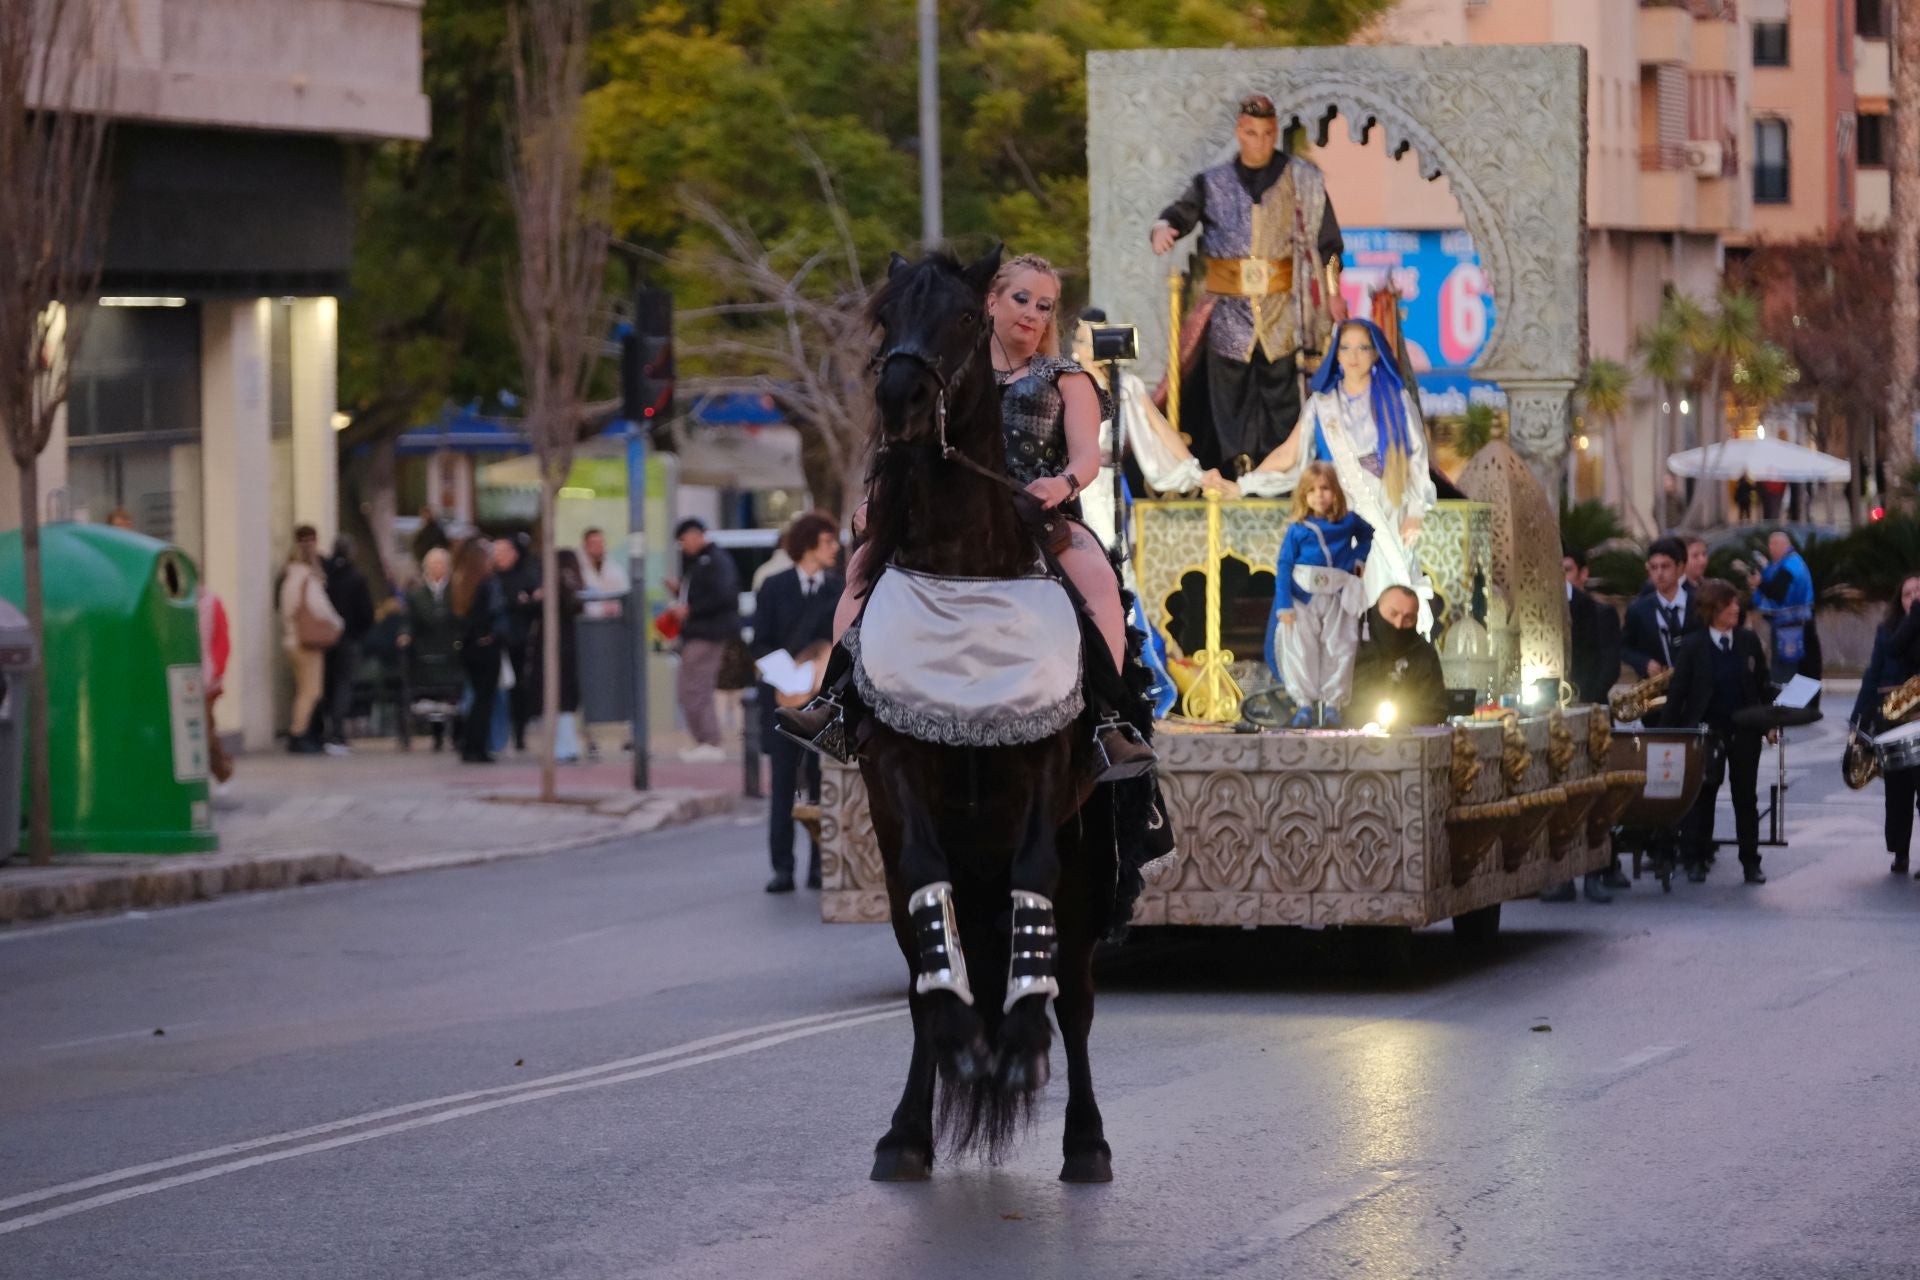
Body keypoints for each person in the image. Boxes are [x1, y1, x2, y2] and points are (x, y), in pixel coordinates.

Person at [1149, 92, 1345, 475]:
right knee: (1230, 396)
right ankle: (1234, 472)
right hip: (1229, 310)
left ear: (1275, 133)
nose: (1261, 141)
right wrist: (1164, 226)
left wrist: (1334, 293)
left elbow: (1329, 243)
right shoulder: (1213, 182)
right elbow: (1181, 213)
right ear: (1241, 132)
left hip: (1281, 308)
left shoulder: (1302, 179)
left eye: (1268, 133)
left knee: (1281, 394)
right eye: (1253, 133)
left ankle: (1281, 476)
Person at [1236, 318, 1438, 632]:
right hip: (1336, 509)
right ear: (1336, 354)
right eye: (1345, 347)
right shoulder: (1321, 404)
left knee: (1386, 582)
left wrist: (1416, 512)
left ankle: (1390, 659)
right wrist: (1244, 484)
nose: (1353, 354)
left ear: (1375, 354)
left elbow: (1417, 459)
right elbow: (1289, 454)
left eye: (1362, 347)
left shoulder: (1396, 400)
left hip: (1386, 503)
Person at [1069, 310, 1224, 553]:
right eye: (1085, 341)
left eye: (1098, 340)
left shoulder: (1125, 385)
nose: (1092, 348)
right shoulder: (1066, 382)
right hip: (1075, 482)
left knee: (1113, 547)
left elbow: (1160, 428)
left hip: (1109, 481)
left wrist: (1196, 472)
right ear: (1075, 347)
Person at [752, 511, 844, 893]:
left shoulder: (838, 589)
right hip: (781, 698)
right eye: (827, 541)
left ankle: (821, 866)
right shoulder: (774, 587)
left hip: (824, 703)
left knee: (824, 786)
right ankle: (783, 867)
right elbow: (758, 641)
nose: (835, 549)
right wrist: (786, 676)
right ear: (808, 544)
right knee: (784, 786)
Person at [1662, 577, 1773, 885]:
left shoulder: (1748, 641)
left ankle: (1750, 862)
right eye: (1729, 604)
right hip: (1706, 732)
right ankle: (1696, 858)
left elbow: (1762, 685)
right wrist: (1669, 732)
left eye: (1736, 603)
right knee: (1703, 797)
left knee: (1745, 797)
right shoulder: (1694, 645)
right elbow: (1679, 691)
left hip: (1745, 731)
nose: (1736, 609)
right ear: (1713, 610)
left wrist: (1769, 724)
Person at [1547, 546, 1626, 902]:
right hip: (1550, 721)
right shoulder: (1536, 609)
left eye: (1564, 568)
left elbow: (1608, 666)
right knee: (1557, 797)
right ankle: (1560, 874)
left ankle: (1597, 870)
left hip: (1589, 714)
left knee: (1594, 796)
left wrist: (1581, 705)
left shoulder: (1598, 612)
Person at [1265, 461, 1371, 728]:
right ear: (1303, 495)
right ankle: (1303, 705)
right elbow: (1284, 566)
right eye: (1311, 490)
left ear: (1335, 491)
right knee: (1301, 650)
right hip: (1303, 597)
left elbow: (1368, 535)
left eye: (1325, 488)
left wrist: (1358, 560)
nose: (1319, 495)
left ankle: (1333, 705)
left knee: (1340, 647)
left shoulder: (1349, 522)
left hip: (1337, 595)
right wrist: (1285, 604)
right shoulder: (1298, 529)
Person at [1852, 574, 1920, 876]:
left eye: (1919, 591)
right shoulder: (1887, 631)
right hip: (1892, 719)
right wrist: (1859, 719)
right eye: (1908, 593)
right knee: (1898, 791)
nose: (1914, 598)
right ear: (1899, 600)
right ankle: (1900, 852)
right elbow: (1874, 673)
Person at [665, 517, 741, 763]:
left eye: (684, 539)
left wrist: (691, 610)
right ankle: (704, 740)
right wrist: (680, 594)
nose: (683, 545)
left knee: (696, 688)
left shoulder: (714, 561)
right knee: (690, 688)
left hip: (707, 633)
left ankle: (710, 740)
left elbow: (723, 595)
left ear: (697, 535)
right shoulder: (701, 562)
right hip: (699, 632)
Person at [278, 526, 341, 755]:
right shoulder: (306, 579)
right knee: (311, 691)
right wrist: (338, 624)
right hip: (307, 644)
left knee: (303, 689)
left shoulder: (287, 579)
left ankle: (299, 734)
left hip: (291, 641)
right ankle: (298, 735)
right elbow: (320, 608)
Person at [1349, 584, 1448, 728]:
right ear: (1378, 608)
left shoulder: (1424, 653)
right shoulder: (1349, 641)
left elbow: (1434, 707)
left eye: (1408, 618)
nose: (1398, 624)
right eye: (1393, 614)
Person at [317, 536, 375, 756]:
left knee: (328, 684)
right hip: (348, 639)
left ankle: (324, 729)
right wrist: (358, 633)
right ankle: (337, 732)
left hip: (324, 641)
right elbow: (366, 613)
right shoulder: (356, 579)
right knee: (343, 684)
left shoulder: (326, 577)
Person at [451, 540, 508, 763]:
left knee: (476, 698)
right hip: (486, 646)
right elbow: (496, 611)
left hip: (467, 647)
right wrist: (493, 635)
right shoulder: (489, 583)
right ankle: (478, 746)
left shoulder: (461, 584)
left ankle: (468, 745)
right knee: (485, 699)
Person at [401, 547, 461, 751]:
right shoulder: (416, 595)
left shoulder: (455, 591)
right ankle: (436, 733)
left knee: (452, 690)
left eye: (442, 563)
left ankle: (456, 732)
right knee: (427, 689)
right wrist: (405, 634)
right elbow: (408, 620)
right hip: (424, 650)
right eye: (434, 564)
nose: (438, 568)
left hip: (449, 649)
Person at [1749, 529, 1822, 687]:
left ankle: (1786, 709)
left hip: (1792, 628)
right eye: (1770, 544)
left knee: (1786, 675)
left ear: (1785, 545)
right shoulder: (1783, 564)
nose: (1771, 548)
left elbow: (1777, 592)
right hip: (1787, 626)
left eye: (1775, 544)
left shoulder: (1791, 565)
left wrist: (1759, 584)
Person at [492, 535, 542, 752]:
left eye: (504, 552)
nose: (499, 557)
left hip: (518, 640)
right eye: (497, 553)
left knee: (518, 688)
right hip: (493, 641)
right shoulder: (490, 578)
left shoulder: (526, 576)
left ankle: (519, 732)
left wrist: (524, 603)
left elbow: (534, 605)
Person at [1621, 536, 1696, 679]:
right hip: (1658, 692)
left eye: (1665, 566)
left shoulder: (1698, 603)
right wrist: (1644, 663)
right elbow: (1623, 647)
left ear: (1680, 568)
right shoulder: (1638, 610)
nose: (1659, 573)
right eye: (1654, 567)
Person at [199, 586, 234, 797]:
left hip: (207, 679)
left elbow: (222, 641)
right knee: (205, 729)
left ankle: (222, 772)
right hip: (181, 678)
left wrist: (216, 671)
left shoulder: (212, 603)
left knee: (205, 730)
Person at [578, 527, 630, 620]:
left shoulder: (615, 569)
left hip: (612, 622)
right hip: (586, 623)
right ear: (585, 546)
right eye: (593, 543)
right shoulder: (578, 569)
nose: (598, 547)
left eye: (601, 543)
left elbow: (624, 593)